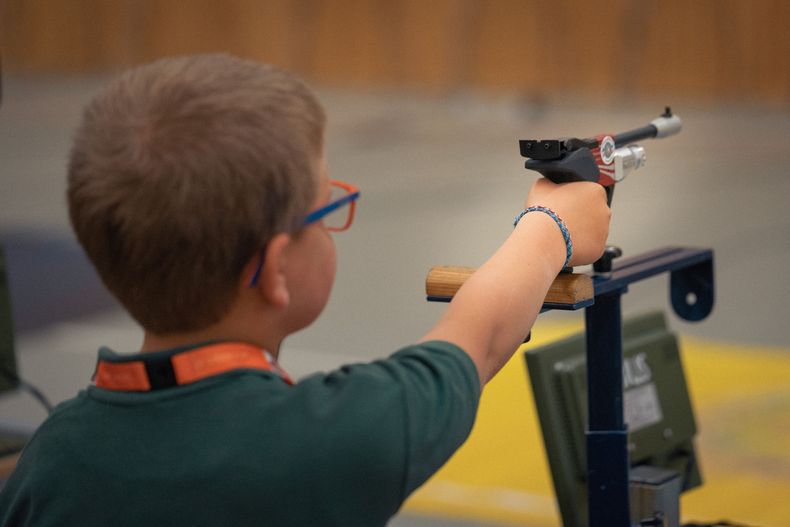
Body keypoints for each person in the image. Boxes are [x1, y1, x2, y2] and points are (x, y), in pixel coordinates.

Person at [0, 54, 609, 526]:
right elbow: (478, 340)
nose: (334, 220)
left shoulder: (52, 458)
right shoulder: (333, 435)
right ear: (277, 269)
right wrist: (552, 226)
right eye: (328, 209)